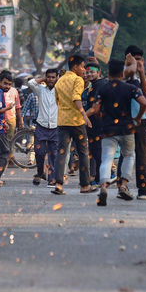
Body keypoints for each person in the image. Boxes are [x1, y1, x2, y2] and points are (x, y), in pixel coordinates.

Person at [92, 59, 146, 205]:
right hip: (126, 128)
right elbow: (144, 103)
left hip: (108, 129)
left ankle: (103, 186)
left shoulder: (103, 89)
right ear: (122, 73)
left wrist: (101, 118)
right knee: (129, 155)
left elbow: (96, 109)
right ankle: (123, 185)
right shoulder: (130, 88)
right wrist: (138, 118)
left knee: (107, 158)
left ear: (108, 72)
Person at [52, 55, 97, 196]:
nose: (84, 70)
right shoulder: (77, 80)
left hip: (62, 121)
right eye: (82, 67)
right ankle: (85, 185)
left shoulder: (60, 80)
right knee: (83, 152)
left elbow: (57, 101)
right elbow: (76, 98)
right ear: (75, 67)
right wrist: (84, 114)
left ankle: (58, 184)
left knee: (61, 152)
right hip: (76, 122)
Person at [122, 45, 146, 199]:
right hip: (128, 120)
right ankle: (125, 186)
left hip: (140, 121)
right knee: (127, 154)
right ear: (127, 59)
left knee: (141, 154)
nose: (137, 63)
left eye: (140, 60)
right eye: (135, 59)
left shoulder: (137, 77)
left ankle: (142, 188)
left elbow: (145, 93)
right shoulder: (124, 76)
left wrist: (142, 72)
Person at [27, 69, 59, 186]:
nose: (51, 79)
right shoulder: (41, 90)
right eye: (49, 77)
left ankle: (52, 178)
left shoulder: (60, 91)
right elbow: (30, 83)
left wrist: (58, 80)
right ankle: (40, 172)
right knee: (39, 153)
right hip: (41, 126)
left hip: (55, 126)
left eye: (53, 77)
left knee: (53, 155)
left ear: (57, 78)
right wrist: (44, 79)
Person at [83, 63, 104, 186]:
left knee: (98, 152)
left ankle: (101, 178)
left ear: (98, 72)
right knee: (95, 152)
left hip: (99, 124)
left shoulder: (100, 85)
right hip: (92, 124)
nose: (89, 74)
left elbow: (95, 108)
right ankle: (97, 177)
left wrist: (82, 117)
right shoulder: (93, 85)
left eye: (92, 72)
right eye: (87, 72)